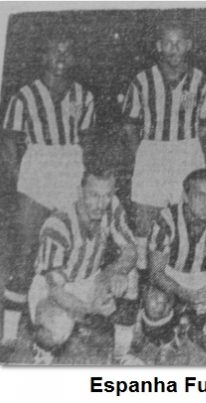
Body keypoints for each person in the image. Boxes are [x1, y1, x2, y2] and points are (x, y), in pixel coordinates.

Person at [1, 34, 96, 356]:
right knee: (26, 251)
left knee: (71, 248)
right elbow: (9, 140)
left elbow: (87, 139)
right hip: (37, 168)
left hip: (70, 167)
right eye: (55, 51)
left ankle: (66, 321)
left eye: (67, 52)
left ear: (74, 58)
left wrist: (81, 178)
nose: (61, 57)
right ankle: (9, 333)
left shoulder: (83, 95)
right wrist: (20, 178)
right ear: (43, 56)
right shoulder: (24, 95)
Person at [121, 19, 206, 276]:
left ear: (189, 45)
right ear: (159, 46)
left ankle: (180, 274)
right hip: (152, 151)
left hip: (188, 151)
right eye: (168, 43)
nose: (174, 49)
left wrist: (193, 153)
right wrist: (140, 157)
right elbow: (129, 125)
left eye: (179, 43)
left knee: (187, 215)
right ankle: (138, 281)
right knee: (145, 220)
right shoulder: (142, 80)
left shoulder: (202, 81)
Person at [24, 169, 141, 365]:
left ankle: (121, 354)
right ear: (80, 192)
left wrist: (120, 272)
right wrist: (90, 309)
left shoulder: (112, 206)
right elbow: (56, 291)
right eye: (94, 195)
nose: (101, 204)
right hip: (54, 289)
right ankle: (42, 351)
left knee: (130, 275)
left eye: (107, 195)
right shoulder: (58, 224)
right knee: (55, 326)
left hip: (90, 278)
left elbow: (131, 249)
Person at [139, 169, 206, 363]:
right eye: (199, 196)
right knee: (155, 302)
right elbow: (156, 273)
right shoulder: (166, 219)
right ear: (186, 197)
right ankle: (169, 339)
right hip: (175, 276)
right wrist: (183, 293)